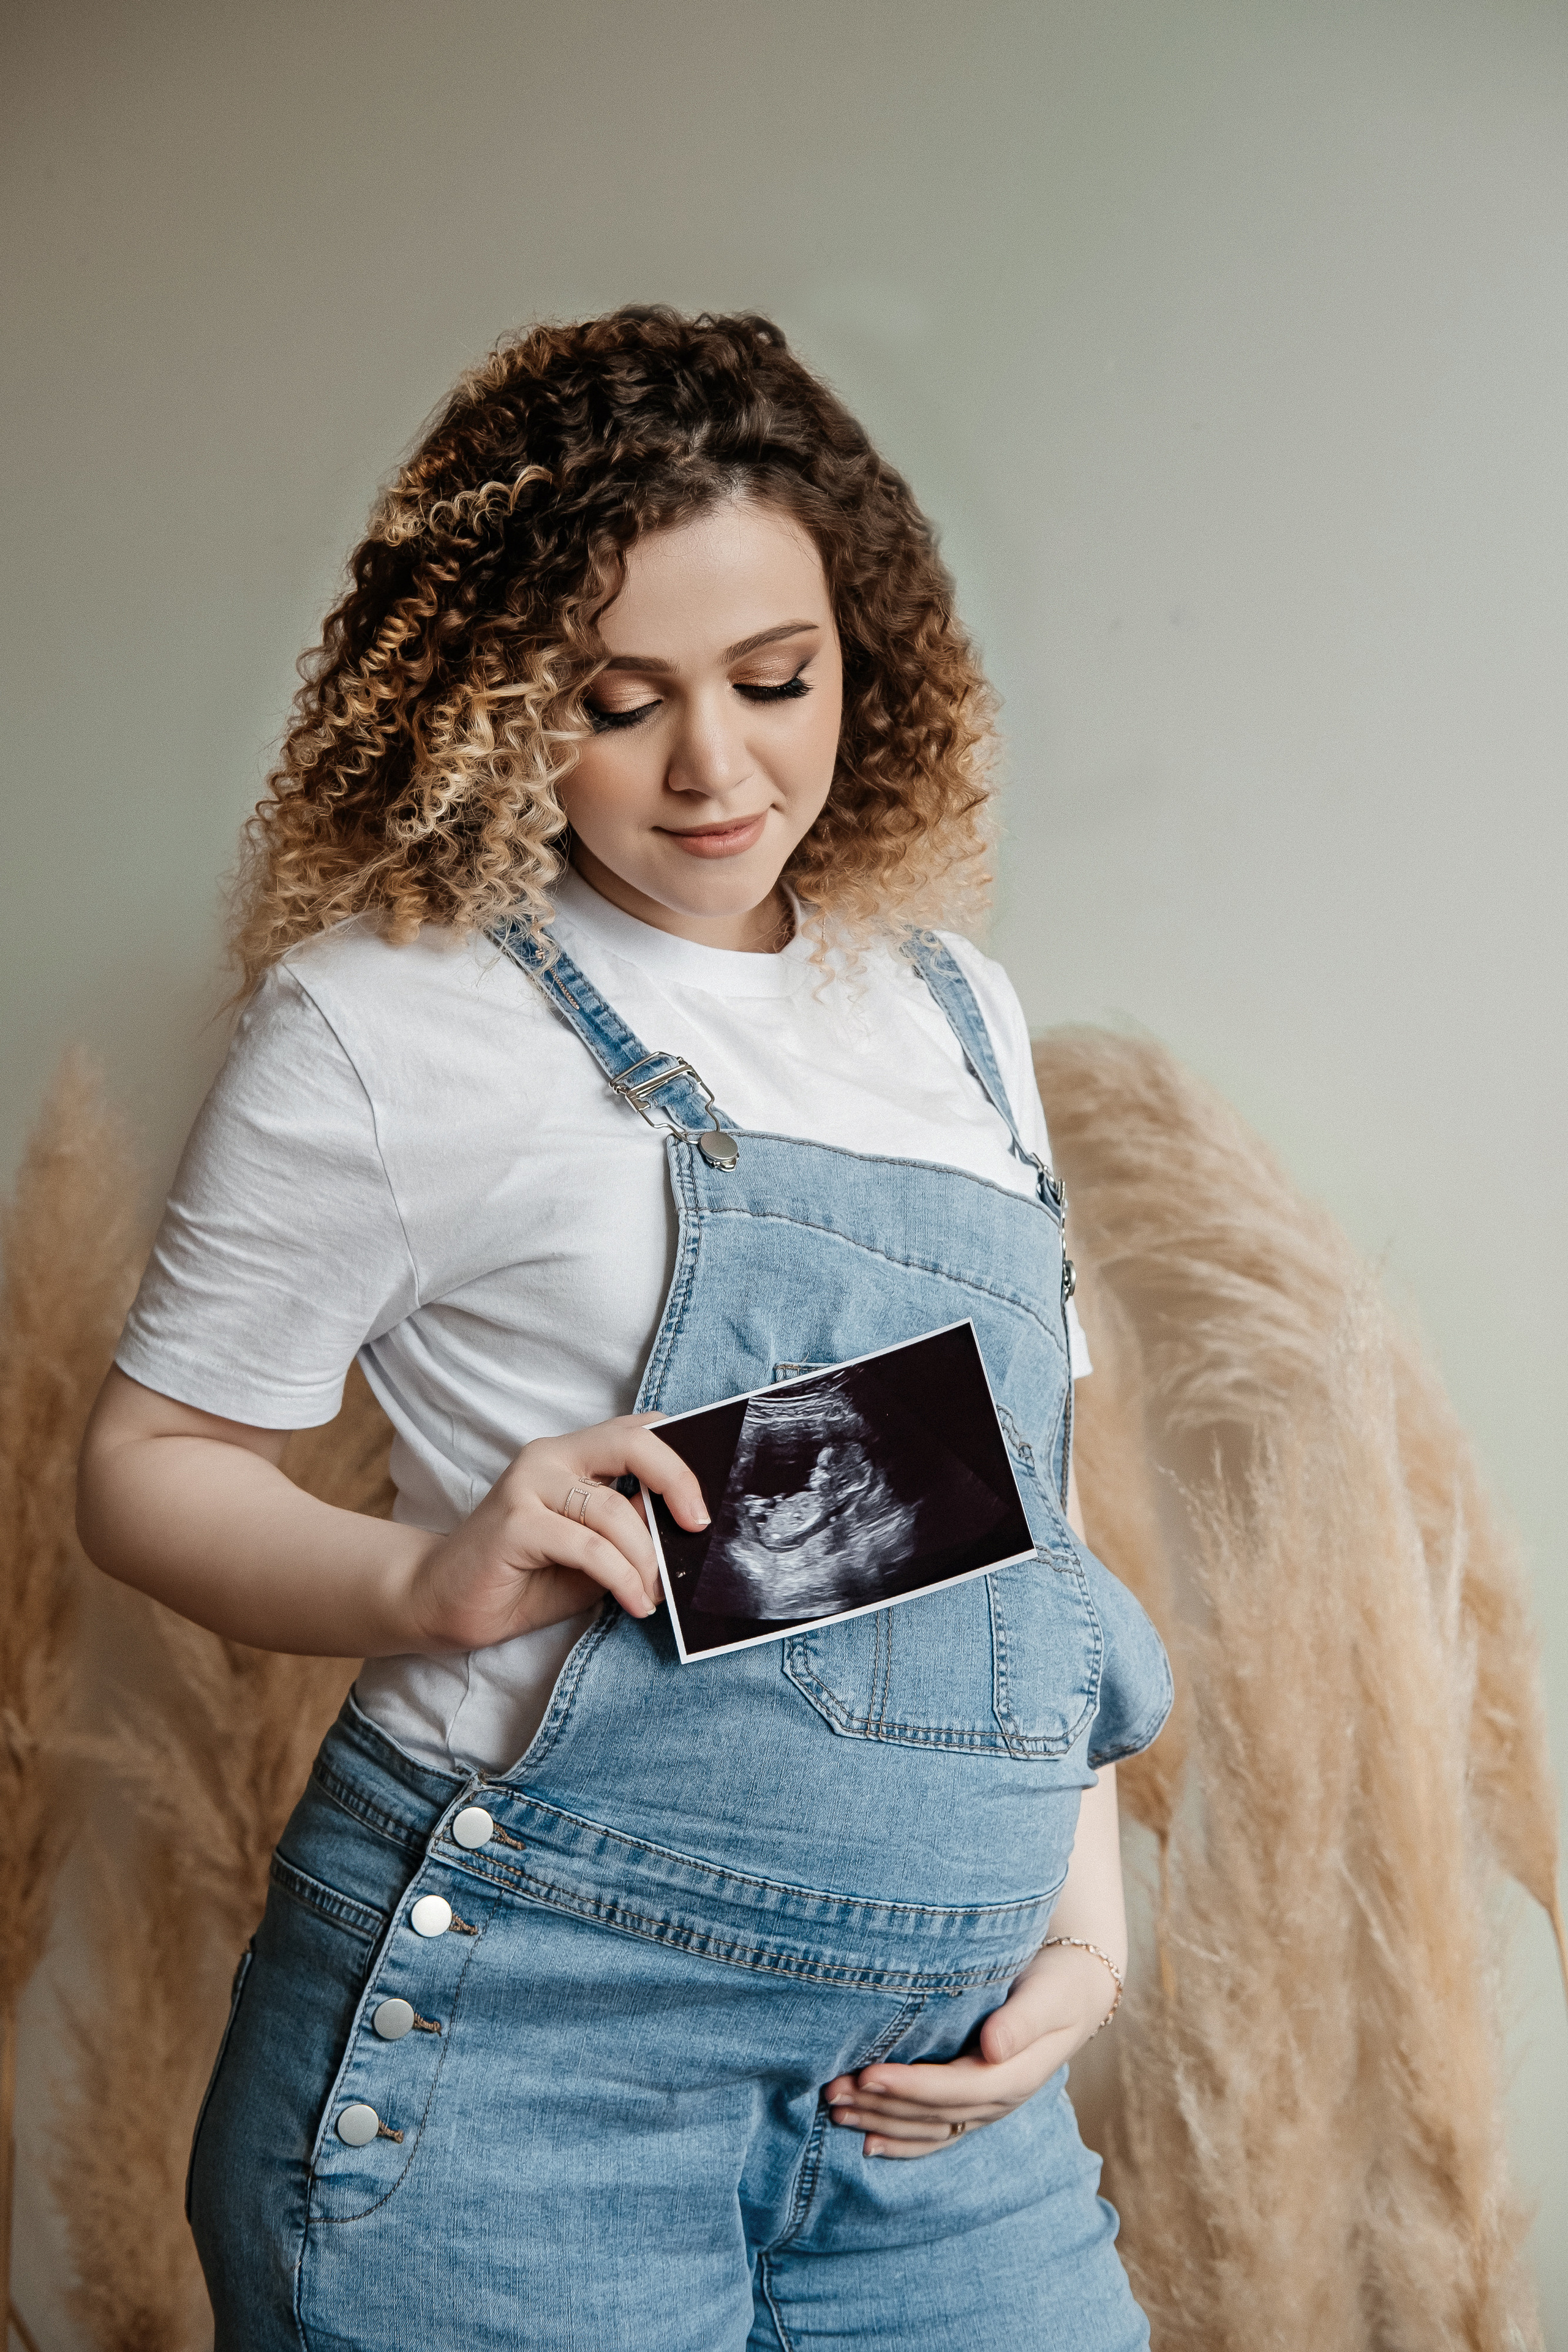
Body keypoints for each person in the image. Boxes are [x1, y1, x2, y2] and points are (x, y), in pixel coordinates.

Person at [76, 307, 1173, 2351]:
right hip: (514, 2076)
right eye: (619, 699)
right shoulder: (389, 1021)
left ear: (866, 659)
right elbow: (147, 1469)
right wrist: (420, 1576)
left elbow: (1017, 1518)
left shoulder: (953, 1015)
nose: (714, 768)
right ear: (500, 701)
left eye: (776, 679)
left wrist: (1079, 1939)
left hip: (930, 2113)